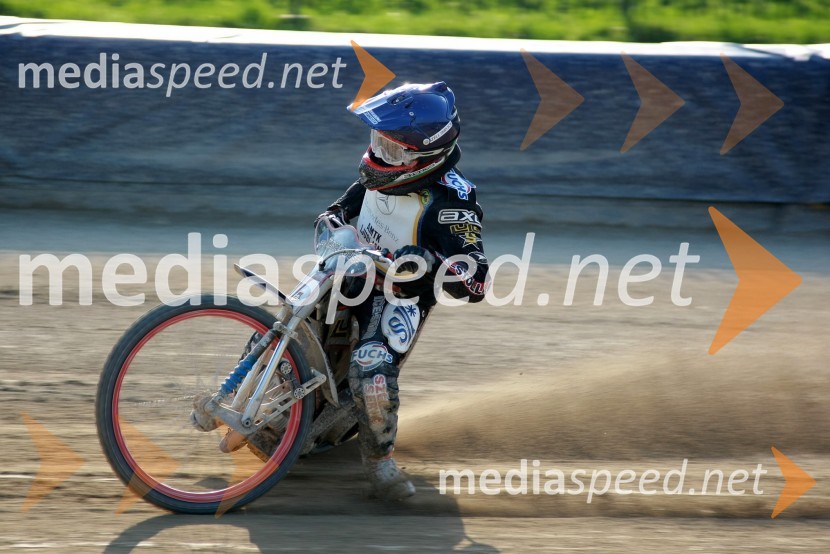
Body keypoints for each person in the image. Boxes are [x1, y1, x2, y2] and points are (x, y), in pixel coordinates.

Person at [317, 81, 489, 500]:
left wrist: (429, 263)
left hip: (399, 296)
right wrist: (335, 223)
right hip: (352, 268)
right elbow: (339, 211)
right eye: (378, 141)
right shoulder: (377, 177)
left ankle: (380, 462)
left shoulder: (453, 204)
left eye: (392, 151)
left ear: (425, 158)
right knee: (291, 310)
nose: (379, 155)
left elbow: (476, 279)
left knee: (372, 367)